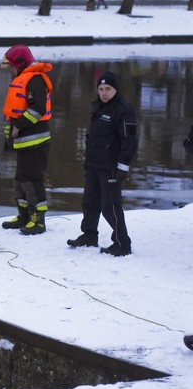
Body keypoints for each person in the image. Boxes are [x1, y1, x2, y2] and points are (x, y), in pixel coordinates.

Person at [67, 71, 138, 257]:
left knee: (110, 205)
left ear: (115, 89)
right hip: (94, 165)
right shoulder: (99, 107)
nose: (104, 93)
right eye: (101, 89)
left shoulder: (124, 110)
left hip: (112, 167)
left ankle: (122, 243)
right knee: (89, 202)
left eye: (108, 89)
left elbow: (129, 141)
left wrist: (123, 166)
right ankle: (89, 235)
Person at [0, 45, 53, 235]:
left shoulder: (35, 80)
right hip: (24, 141)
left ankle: (38, 220)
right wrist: (9, 139)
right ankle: (24, 215)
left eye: (12, 66)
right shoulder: (23, 78)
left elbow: (37, 109)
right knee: (21, 179)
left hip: (35, 141)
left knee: (32, 179)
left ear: (20, 64)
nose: (11, 70)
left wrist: (19, 125)